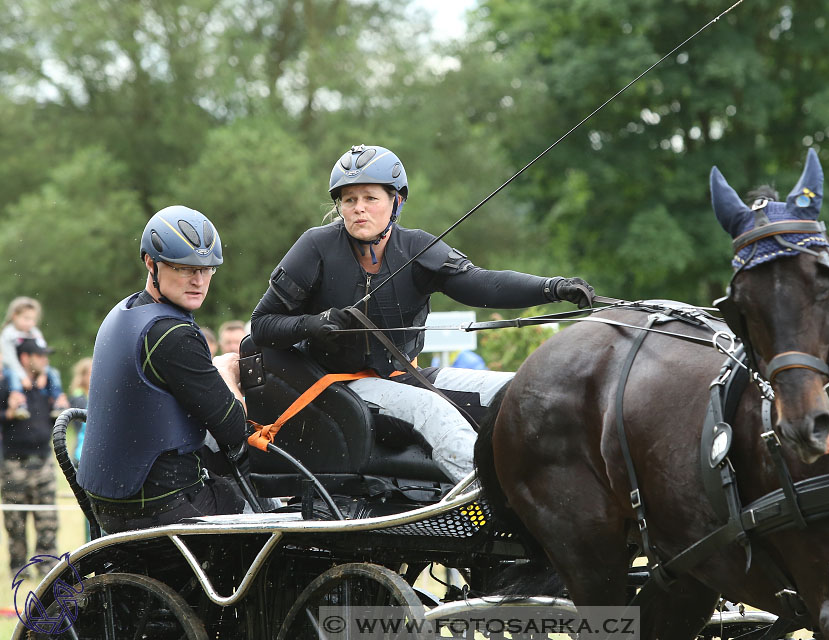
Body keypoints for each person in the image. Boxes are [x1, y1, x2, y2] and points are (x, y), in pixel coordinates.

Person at [250, 144, 594, 482]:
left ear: (396, 201)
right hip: (338, 391)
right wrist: (313, 324)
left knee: (518, 389)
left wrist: (551, 288)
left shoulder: (417, 247)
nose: (358, 209)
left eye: (370, 198)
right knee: (435, 413)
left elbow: (484, 284)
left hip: (407, 376)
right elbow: (262, 325)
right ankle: (494, 508)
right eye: (349, 200)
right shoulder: (315, 246)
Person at [77, 206, 249, 533]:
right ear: (150, 263)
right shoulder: (174, 335)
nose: (199, 281)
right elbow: (233, 429)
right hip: (164, 506)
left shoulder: (122, 313)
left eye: (207, 269)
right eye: (184, 269)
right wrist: (225, 370)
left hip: (109, 505)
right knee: (255, 493)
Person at [1, 338, 60, 576]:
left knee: (48, 519)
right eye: (40, 355)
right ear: (25, 358)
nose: (45, 360)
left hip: (43, 461)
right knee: (15, 521)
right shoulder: (7, 385)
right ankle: (19, 566)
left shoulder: (48, 386)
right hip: (14, 463)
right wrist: (10, 412)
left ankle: (47, 565)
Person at [1, 297, 68, 415]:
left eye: (33, 319)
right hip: (13, 367)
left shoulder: (34, 332)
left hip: (34, 367)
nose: (30, 323)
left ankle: (58, 400)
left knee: (53, 372)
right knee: (12, 376)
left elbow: (42, 352)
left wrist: (43, 373)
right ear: (15, 316)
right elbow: (10, 359)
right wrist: (23, 376)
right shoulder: (8, 334)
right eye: (26, 318)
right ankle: (20, 402)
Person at [68, 357, 92, 461]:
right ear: (83, 376)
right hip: (83, 450)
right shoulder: (79, 397)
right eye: (91, 373)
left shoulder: (89, 395)